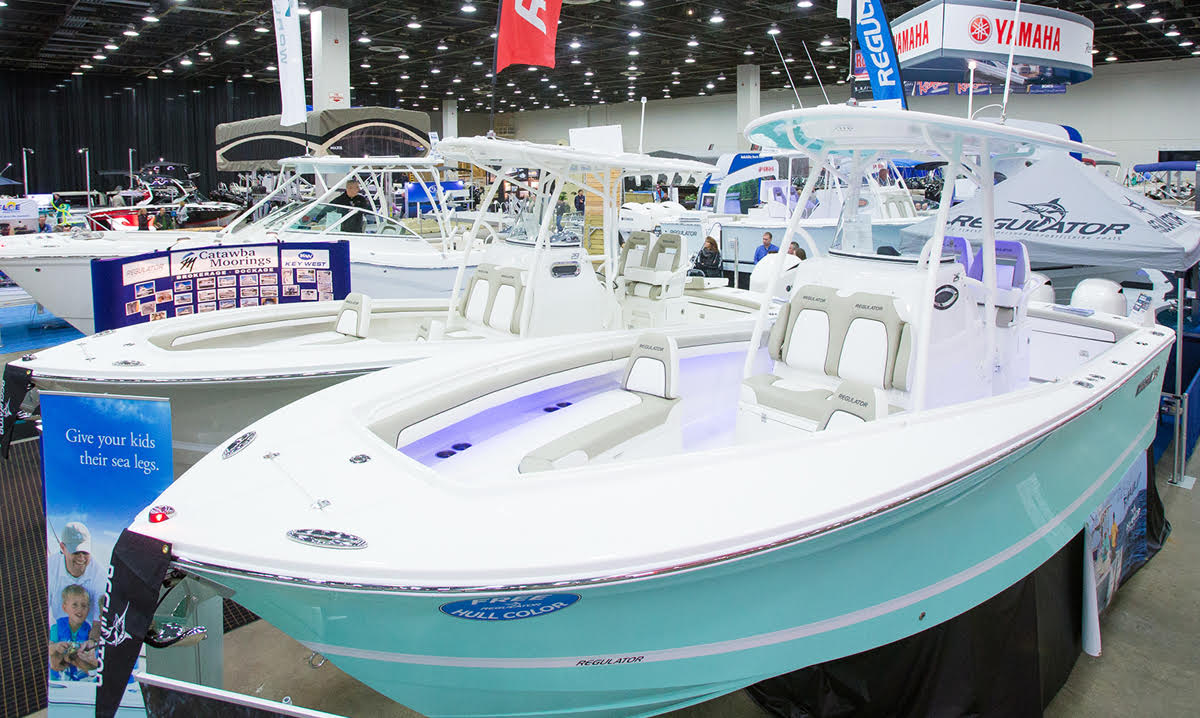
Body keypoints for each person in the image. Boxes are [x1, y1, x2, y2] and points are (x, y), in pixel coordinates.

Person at [47, 522, 105, 628]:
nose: (81, 558)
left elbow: (98, 624)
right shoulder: (49, 568)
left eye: (85, 552)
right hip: (57, 631)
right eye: (76, 552)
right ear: (62, 548)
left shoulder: (100, 577)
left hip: (88, 631)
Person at [48, 584, 98, 681]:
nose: (80, 609)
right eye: (75, 605)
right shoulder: (56, 626)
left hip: (80, 676)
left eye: (84, 606)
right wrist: (56, 646)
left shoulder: (89, 630)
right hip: (58, 676)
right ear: (64, 607)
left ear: (88, 609)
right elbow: (49, 648)